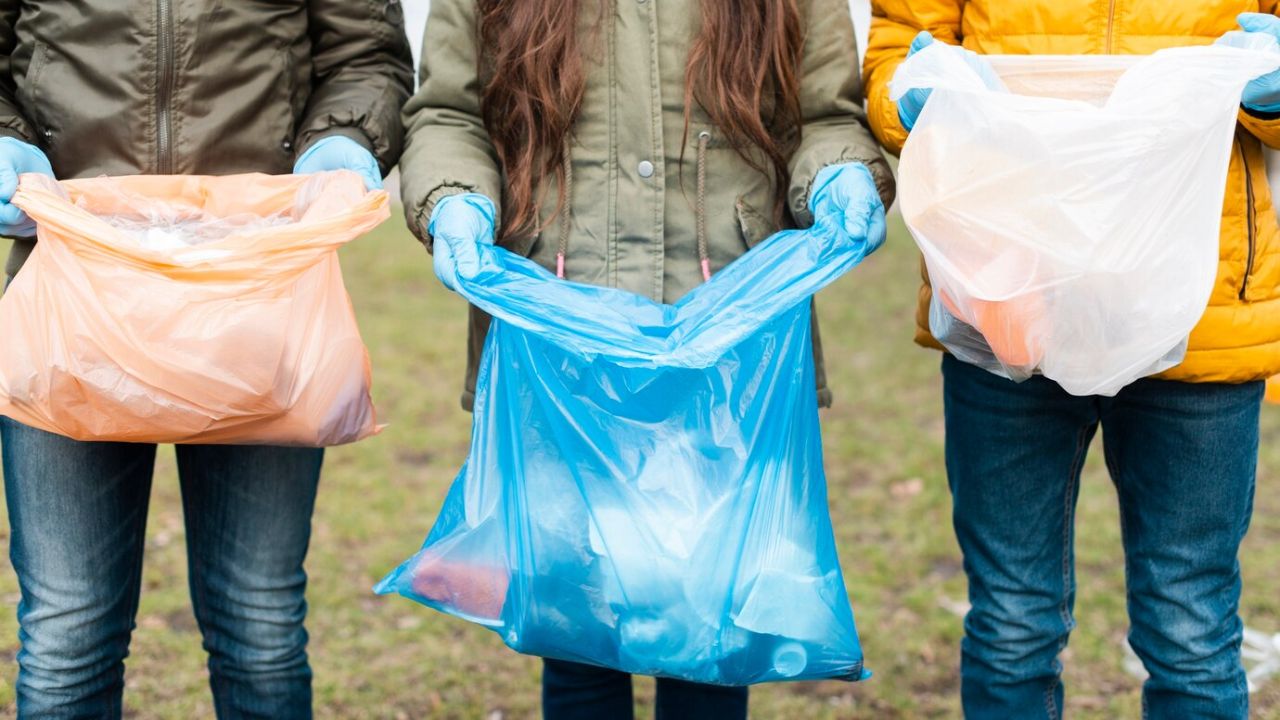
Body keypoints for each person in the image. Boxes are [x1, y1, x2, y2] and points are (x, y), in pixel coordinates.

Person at [398, 0, 893, 716]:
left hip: (727, 357)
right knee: (574, 633)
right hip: (561, 346)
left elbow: (824, 117)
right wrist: (454, 199)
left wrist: (838, 174)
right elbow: (449, 112)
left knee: (712, 635)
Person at [864, 3, 1280, 719]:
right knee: (1011, 622)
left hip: (1198, 312)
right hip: (1012, 301)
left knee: (1191, 627)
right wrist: (910, 95)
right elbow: (895, 43)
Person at [0, 3, 413, 717]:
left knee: (259, 622)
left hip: (257, 292)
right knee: (69, 628)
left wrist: (342, 141)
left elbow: (365, 55)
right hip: (75, 289)